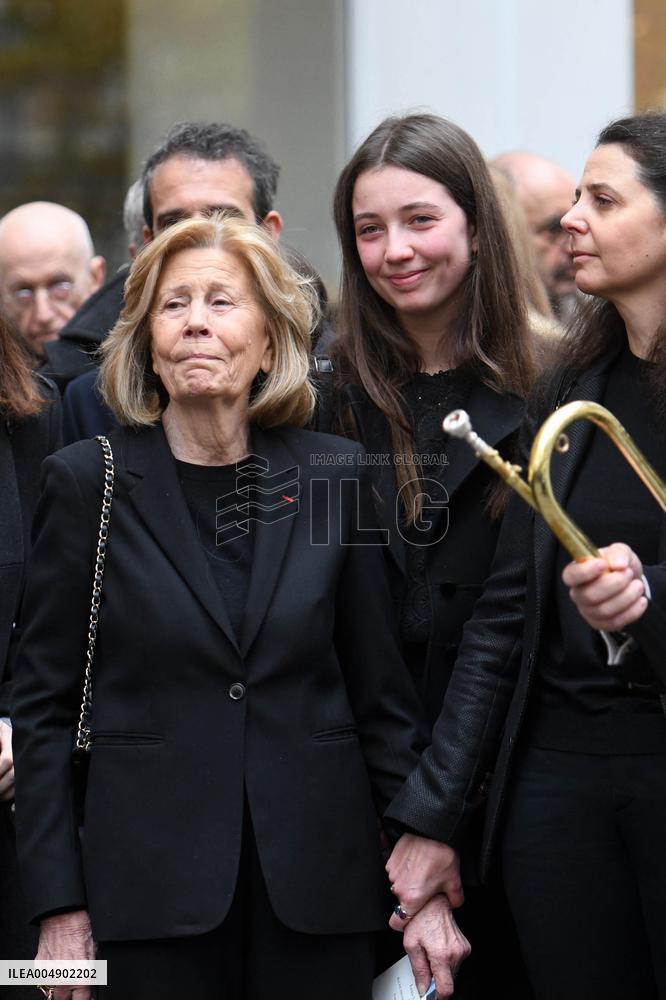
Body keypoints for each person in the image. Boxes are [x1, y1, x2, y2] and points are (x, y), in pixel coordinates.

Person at [12, 213, 439, 1000]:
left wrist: (426, 880)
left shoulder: (335, 475)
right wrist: (58, 907)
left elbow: (381, 697)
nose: (195, 324)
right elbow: (42, 711)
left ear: (270, 345)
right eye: (173, 306)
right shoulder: (84, 480)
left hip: (318, 893)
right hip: (144, 898)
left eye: (221, 302)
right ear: (147, 344)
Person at [385, 111, 666, 1000]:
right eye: (576, 196)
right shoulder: (569, 385)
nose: (572, 218)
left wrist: (651, 595)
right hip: (558, 781)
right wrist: (432, 814)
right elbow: (504, 616)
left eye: (604, 200)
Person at [322, 112, 536, 998]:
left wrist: (437, 820)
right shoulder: (325, 398)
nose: (395, 251)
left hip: (514, 791)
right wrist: (407, 824)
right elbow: (343, 634)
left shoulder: (552, 387)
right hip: (359, 807)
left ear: (476, 226)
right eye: (369, 230)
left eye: (420, 220)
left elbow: (509, 629)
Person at [0, 313, 61, 996]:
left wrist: (20, 723)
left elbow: (66, 613)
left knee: (42, 982)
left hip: (21, 820)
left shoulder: (33, 419)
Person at [0, 202, 105, 360]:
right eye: (24, 293)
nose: (43, 315)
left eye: (60, 287)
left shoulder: (135, 364)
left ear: (95, 277)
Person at [491, 151, 577, 318]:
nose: (573, 248)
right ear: (505, 232)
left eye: (575, 226)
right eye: (554, 230)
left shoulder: (590, 315)